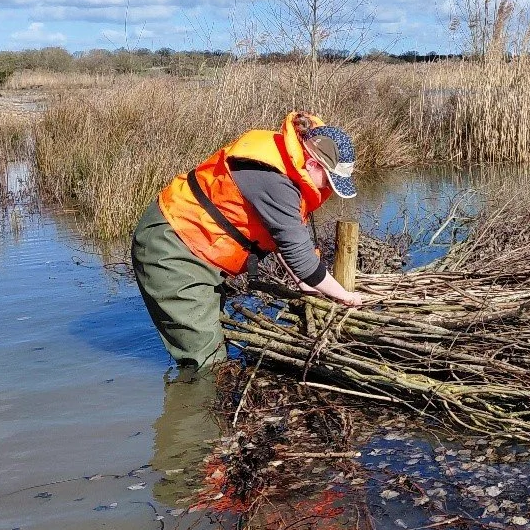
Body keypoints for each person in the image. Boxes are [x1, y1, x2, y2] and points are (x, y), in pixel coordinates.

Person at [131, 110, 366, 372]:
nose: (327, 190)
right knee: (206, 361)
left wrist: (304, 283)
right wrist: (346, 297)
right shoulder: (275, 179)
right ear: (312, 164)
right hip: (174, 246)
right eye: (329, 181)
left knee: (212, 338)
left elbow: (281, 239)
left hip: (197, 245)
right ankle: (192, 407)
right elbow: (302, 259)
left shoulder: (290, 165)